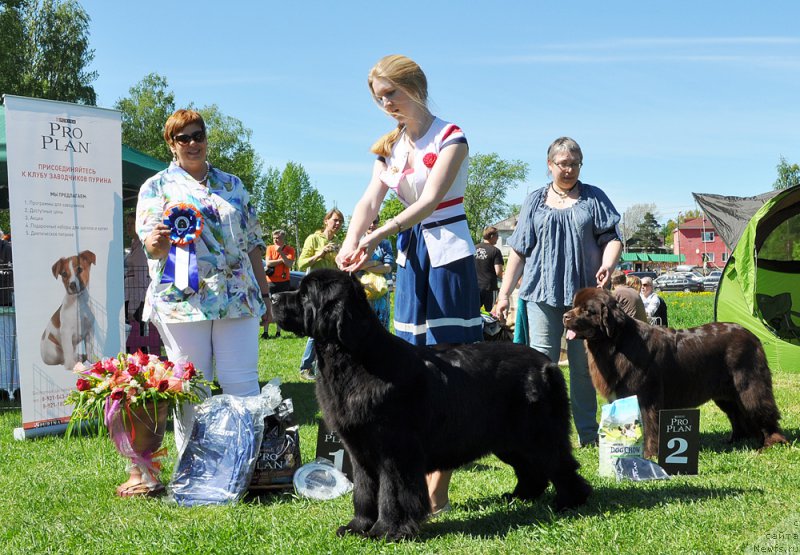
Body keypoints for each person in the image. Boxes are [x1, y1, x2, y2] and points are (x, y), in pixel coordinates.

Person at [336, 55, 482, 516]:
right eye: (379, 98)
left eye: (391, 94)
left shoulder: (451, 136)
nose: (386, 104)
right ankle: (415, 477)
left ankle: (440, 485)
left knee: (450, 362)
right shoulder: (389, 148)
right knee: (410, 362)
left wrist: (378, 234)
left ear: (415, 86)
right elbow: (367, 201)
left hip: (447, 255)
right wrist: (350, 240)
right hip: (411, 258)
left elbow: (431, 200)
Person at [136, 109, 271, 459]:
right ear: (171, 144)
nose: (193, 143)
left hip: (238, 297)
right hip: (182, 301)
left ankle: (246, 462)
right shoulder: (156, 187)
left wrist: (266, 294)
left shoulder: (233, 185)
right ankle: (191, 464)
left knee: (241, 381)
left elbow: (254, 242)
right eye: (184, 138)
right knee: (190, 387)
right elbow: (150, 244)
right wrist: (158, 243)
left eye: (199, 135)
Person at [494, 137, 622, 448]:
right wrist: (503, 295)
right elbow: (519, 251)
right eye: (563, 163)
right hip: (541, 294)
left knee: (583, 368)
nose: (569, 169)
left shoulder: (594, 199)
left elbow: (614, 238)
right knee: (542, 365)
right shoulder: (535, 201)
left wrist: (607, 264)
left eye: (575, 163)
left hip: (584, 300)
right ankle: (542, 432)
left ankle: (588, 435)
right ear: (550, 165)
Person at [296, 208, 343, 380]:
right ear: (326, 221)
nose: (337, 224)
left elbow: (339, 267)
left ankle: (322, 366)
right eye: (335, 220)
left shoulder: (338, 242)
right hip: (315, 292)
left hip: (331, 292)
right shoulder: (313, 239)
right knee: (317, 329)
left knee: (329, 329)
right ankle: (306, 367)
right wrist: (320, 253)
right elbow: (301, 264)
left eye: (340, 222)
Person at [358, 217, 394, 329]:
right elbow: (353, 268)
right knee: (363, 325)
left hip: (381, 292)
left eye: (375, 222)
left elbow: (388, 268)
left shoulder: (385, 244)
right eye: (369, 222)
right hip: (362, 290)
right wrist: (375, 263)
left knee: (382, 325)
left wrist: (364, 265)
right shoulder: (357, 244)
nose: (372, 225)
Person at [124, 212, 152, 350]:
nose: (128, 227)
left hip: (137, 298)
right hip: (131, 295)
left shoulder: (141, 248)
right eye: (127, 224)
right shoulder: (135, 244)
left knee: (137, 335)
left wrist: (133, 307)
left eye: (131, 224)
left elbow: (140, 280)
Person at [263, 229, 296, 339]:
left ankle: (278, 332)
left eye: (278, 238)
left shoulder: (290, 249)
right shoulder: (269, 248)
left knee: (280, 306)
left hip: (283, 282)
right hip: (270, 281)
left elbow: (289, 263)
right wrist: (282, 260)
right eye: (274, 238)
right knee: (268, 305)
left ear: (283, 239)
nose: (276, 240)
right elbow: (268, 263)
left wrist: (281, 253)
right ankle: (265, 332)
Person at [474, 226, 504, 312]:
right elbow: (498, 272)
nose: (498, 238)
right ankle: (492, 326)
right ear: (492, 236)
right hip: (489, 288)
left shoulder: (473, 248)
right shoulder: (495, 251)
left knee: (474, 312)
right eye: (497, 236)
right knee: (492, 313)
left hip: (475, 287)